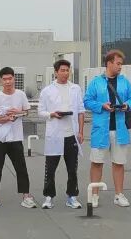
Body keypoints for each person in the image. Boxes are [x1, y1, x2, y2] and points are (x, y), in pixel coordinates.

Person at [83, 49, 131, 208]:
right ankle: (94, 194)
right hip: (101, 129)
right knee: (97, 162)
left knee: (119, 163)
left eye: (121, 64)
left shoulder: (125, 81)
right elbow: (87, 101)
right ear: (109, 63)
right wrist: (102, 105)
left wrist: (127, 105)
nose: (120, 67)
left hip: (120, 129)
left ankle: (119, 195)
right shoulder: (96, 82)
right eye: (118, 63)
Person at [37, 59, 85, 209]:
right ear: (56, 72)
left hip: (71, 133)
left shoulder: (75, 88)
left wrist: (81, 131)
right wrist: (51, 114)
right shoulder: (47, 91)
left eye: (67, 70)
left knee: (72, 168)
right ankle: (49, 196)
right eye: (62, 70)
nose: (65, 73)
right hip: (55, 135)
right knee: (50, 168)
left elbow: (81, 111)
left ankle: (72, 196)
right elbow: (40, 111)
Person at [0, 66, 36, 208]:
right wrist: (6, 118)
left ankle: (26, 196)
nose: (8, 82)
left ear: (14, 79)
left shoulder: (20, 95)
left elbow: (27, 112)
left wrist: (18, 112)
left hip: (16, 138)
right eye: (5, 79)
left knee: (21, 168)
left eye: (10, 78)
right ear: (0, 81)